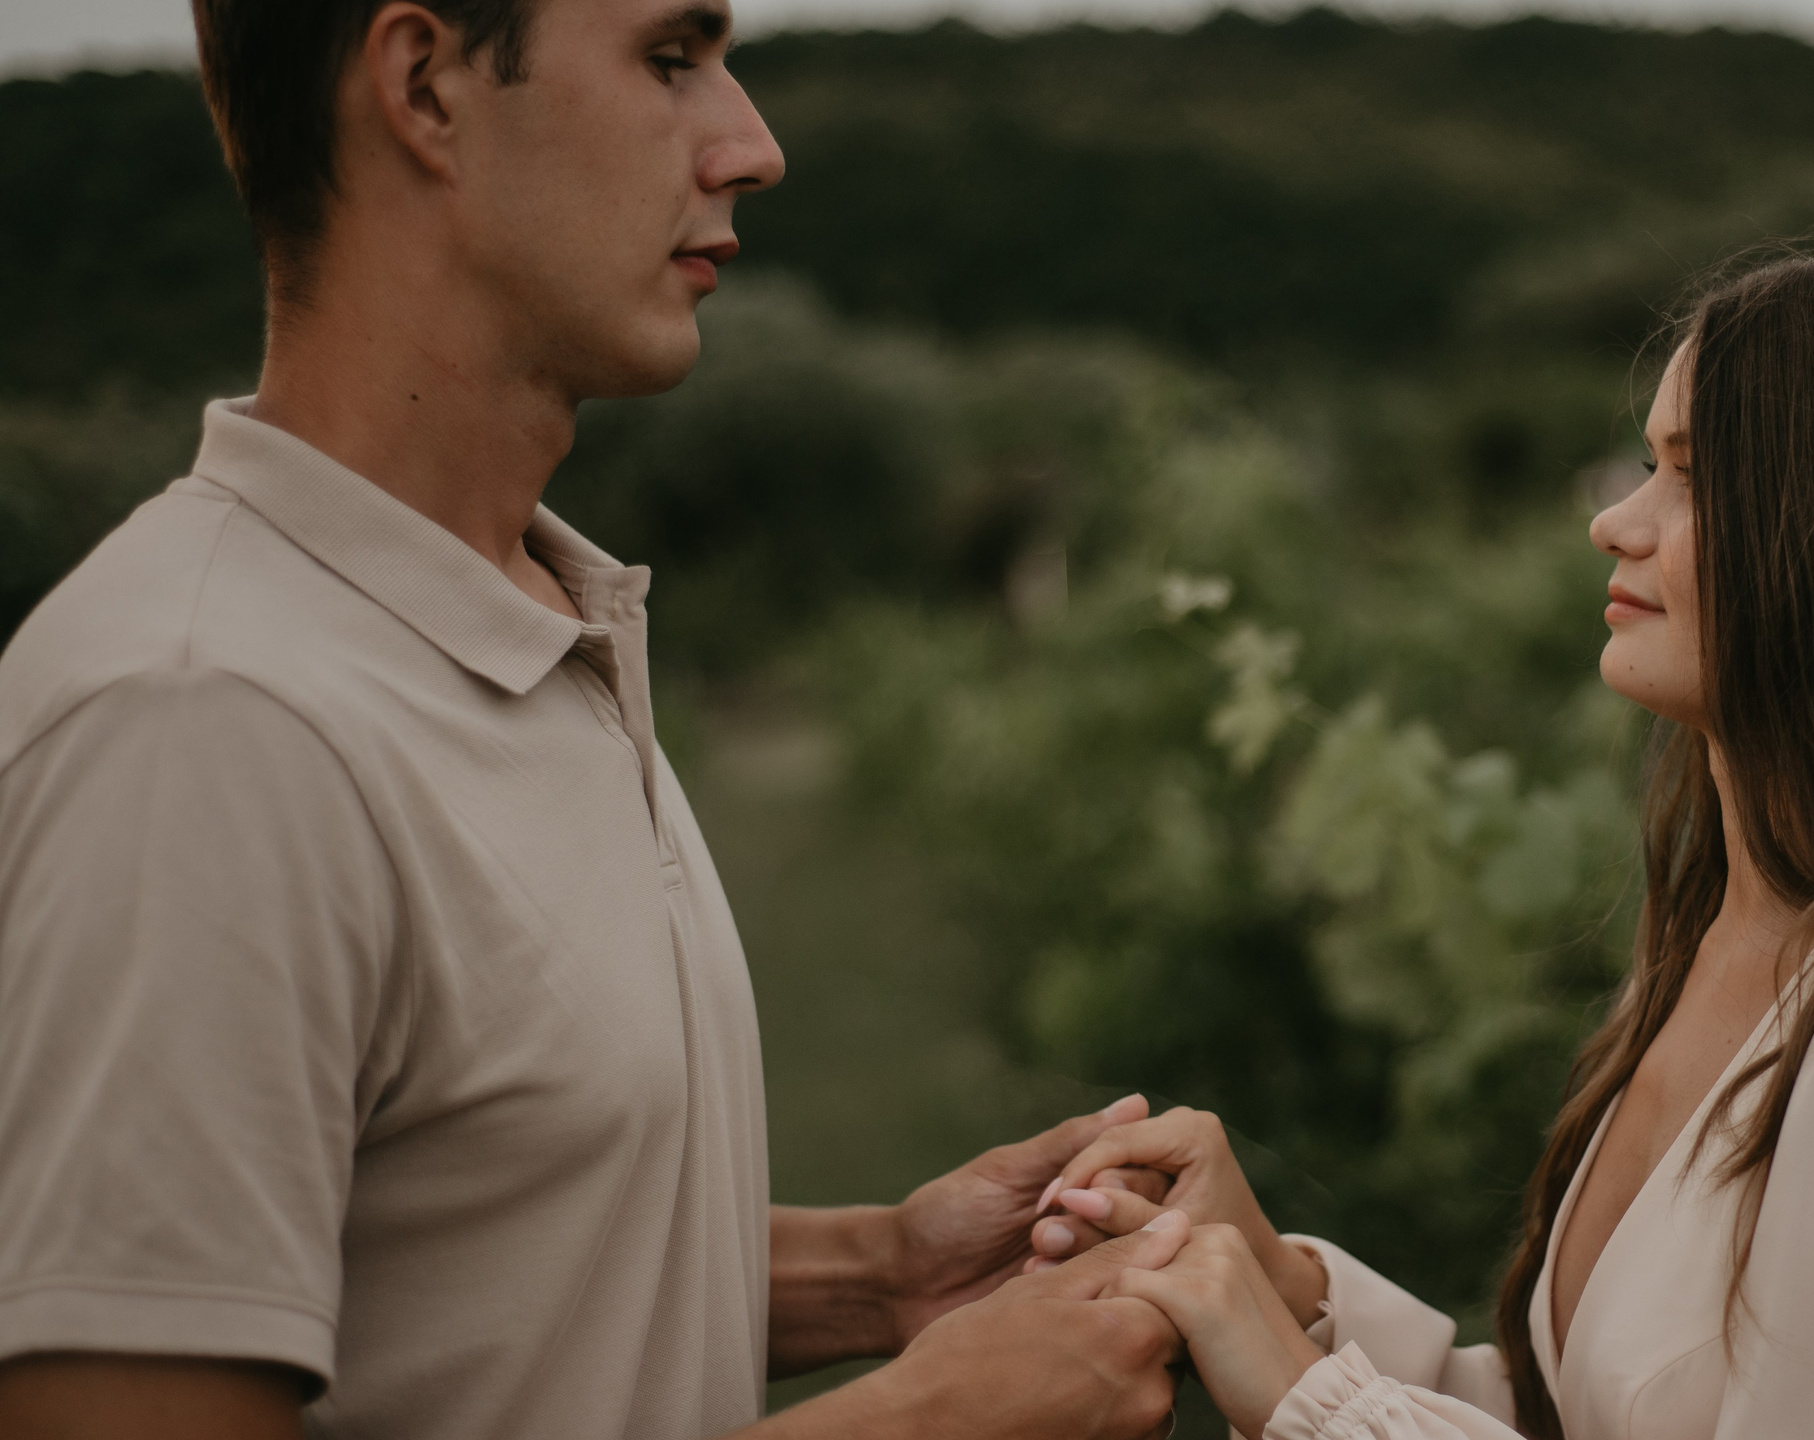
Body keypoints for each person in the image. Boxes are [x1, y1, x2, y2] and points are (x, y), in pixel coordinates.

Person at [0, 0, 1190, 1436]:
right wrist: (925, 1422)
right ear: (425, 88)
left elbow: (450, 1243)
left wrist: (879, 1277)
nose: (754, 146)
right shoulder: (205, 725)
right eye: (671, 58)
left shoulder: (520, 618)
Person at [1021, 216, 1814, 1440]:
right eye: (1648, 464)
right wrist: (1286, 1291)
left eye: (1696, 478)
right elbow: (1593, 1418)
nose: (1617, 521)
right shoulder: (1725, 955)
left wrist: (1305, 1401)